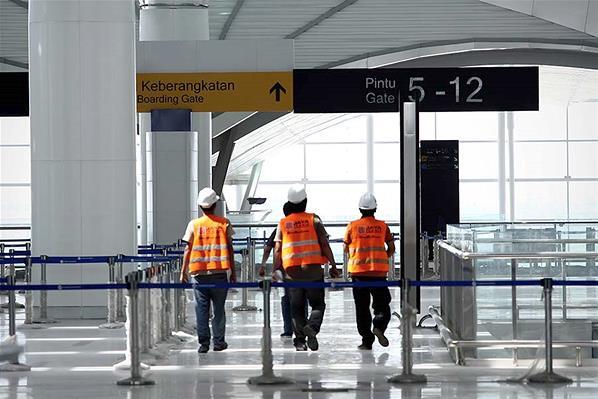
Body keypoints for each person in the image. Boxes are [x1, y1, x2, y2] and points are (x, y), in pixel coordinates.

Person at [274, 185, 339, 351]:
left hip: (291, 273)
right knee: (317, 305)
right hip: (313, 272)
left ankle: (300, 342)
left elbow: (277, 249)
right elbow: (324, 244)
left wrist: (275, 269)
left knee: (296, 308)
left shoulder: (283, 223)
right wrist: (333, 265)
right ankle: (312, 327)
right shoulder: (314, 220)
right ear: (305, 202)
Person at [180, 187, 236, 353]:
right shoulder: (224, 223)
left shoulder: (194, 225)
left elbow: (187, 250)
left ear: (200, 206)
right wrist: (233, 272)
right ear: (214, 205)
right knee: (219, 309)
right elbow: (230, 248)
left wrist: (183, 271)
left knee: (201, 310)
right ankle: (219, 342)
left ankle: (204, 343)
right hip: (219, 273)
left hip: (199, 275)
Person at [344, 192, 395, 350]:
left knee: (362, 308)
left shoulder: (352, 226)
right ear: (375, 208)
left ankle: (367, 341)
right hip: (378, 274)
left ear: (360, 209)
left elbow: (346, 248)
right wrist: (382, 258)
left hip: (358, 274)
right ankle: (379, 326)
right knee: (382, 305)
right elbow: (392, 248)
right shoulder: (382, 226)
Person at [258, 202, 294, 339]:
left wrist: (264, 266)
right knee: (301, 298)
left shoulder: (281, 226)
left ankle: (288, 330)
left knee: (286, 299)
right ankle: (302, 328)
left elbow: (270, 248)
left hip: (284, 270)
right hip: (303, 269)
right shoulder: (307, 224)